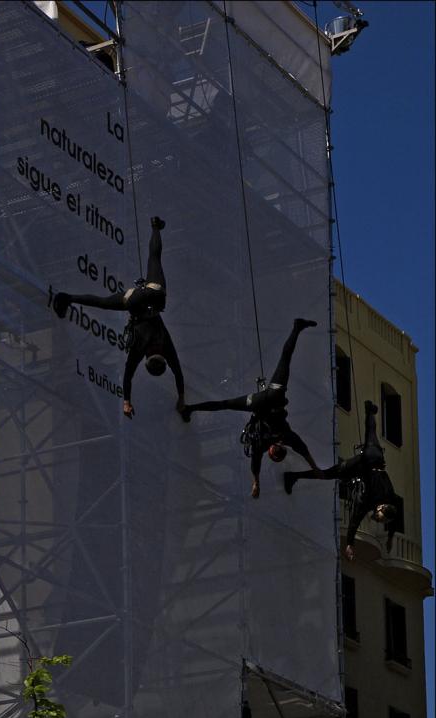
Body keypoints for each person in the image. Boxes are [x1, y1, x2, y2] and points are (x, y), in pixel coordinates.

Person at [52, 216, 184, 419]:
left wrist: (181, 396)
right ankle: (67, 298)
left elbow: (178, 374)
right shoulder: (141, 350)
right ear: (148, 360)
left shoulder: (165, 346)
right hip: (133, 303)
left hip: (152, 295)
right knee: (103, 303)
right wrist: (126, 403)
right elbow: (128, 376)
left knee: (154, 258)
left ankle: (156, 227)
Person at [181, 318, 321, 498]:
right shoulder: (277, 441)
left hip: (266, 401)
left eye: (276, 449)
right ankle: (190, 409)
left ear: (272, 450)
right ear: (276, 449)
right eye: (280, 449)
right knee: (227, 403)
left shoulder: (274, 441)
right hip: (269, 400)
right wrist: (257, 483)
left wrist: (257, 483)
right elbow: (300, 452)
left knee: (228, 403)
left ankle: (190, 409)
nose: (277, 446)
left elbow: (261, 465)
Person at [284, 400, 399, 561]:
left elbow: (393, 521)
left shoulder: (391, 501)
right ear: (381, 507)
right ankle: (292, 476)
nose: (376, 519)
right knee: (327, 474)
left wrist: (390, 538)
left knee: (371, 432)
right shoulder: (368, 499)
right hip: (363, 463)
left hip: (377, 457)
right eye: (379, 517)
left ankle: (370, 412)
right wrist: (349, 544)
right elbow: (354, 521)